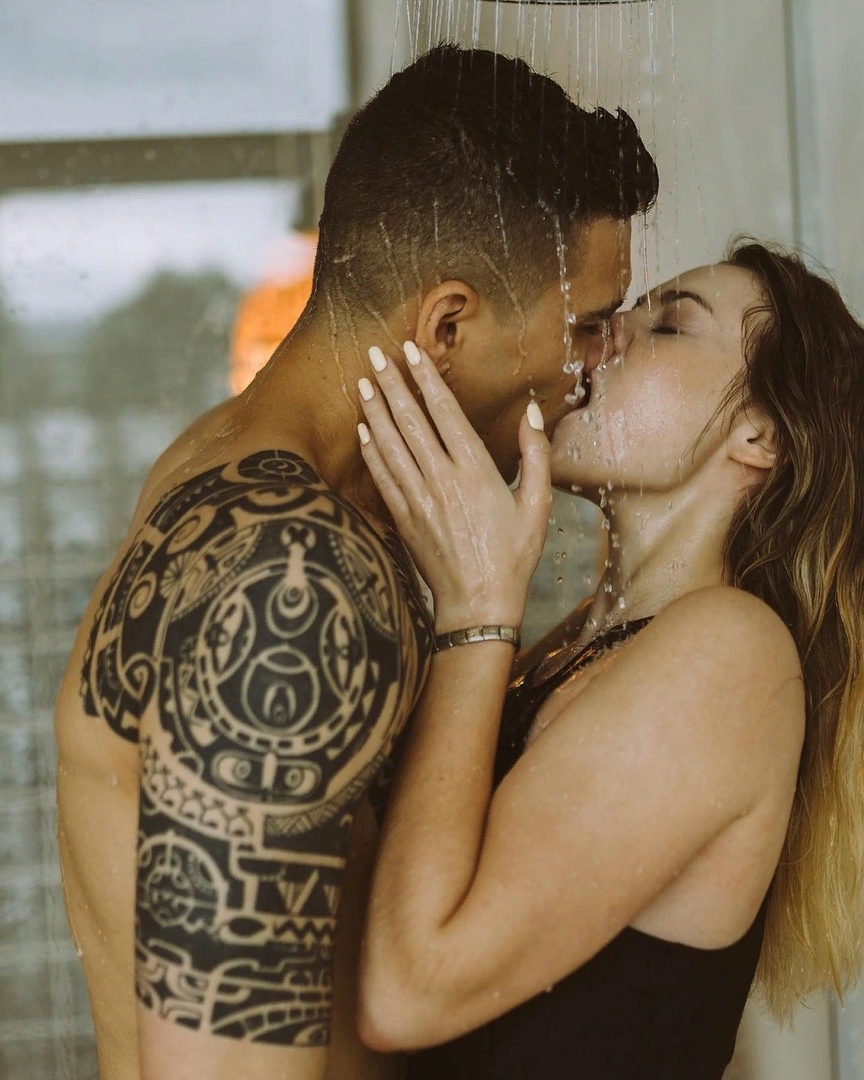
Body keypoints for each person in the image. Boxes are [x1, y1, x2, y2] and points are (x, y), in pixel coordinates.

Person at [53, 43, 658, 1080]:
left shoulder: (232, 464)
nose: (603, 364)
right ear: (449, 323)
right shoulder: (290, 579)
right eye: (588, 327)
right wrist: (478, 617)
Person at [355, 240, 864, 1079]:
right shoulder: (581, 645)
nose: (604, 334)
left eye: (668, 326)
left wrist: (476, 611)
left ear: (760, 433)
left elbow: (411, 993)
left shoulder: (730, 652)